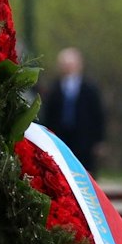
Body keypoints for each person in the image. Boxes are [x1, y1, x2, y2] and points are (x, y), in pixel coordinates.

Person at [38, 47, 107, 176]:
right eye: (65, 64)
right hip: (61, 138)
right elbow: (48, 115)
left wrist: (99, 140)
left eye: (71, 64)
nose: (68, 68)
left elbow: (98, 115)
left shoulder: (90, 88)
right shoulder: (54, 89)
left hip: (84, 139)